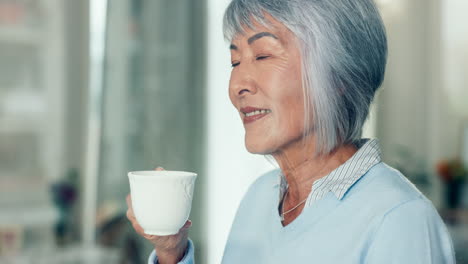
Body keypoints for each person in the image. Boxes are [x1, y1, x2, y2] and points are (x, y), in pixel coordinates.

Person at [126, 0, 456, 263]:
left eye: (264, 55)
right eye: (235, 61)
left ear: (339, 75)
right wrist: (172, 253)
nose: (238, 84)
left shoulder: (399, 219)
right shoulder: (260, 197)